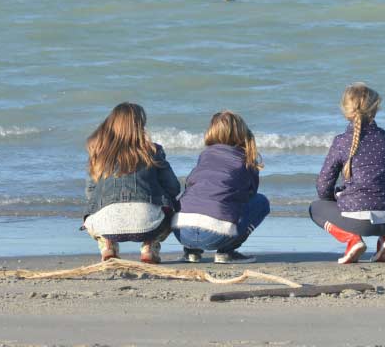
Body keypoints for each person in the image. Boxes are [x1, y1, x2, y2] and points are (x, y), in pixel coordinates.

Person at [310, 83, 385, 264]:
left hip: (358, 222)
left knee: (316, 208)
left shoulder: (341, 141)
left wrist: (335, 198)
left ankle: (352, 240)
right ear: (375, 109)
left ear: (346, 111)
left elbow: (323, 185)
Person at [83, 103, 180, 264]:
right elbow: (173, 187)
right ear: (139, 125)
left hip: (106, 226)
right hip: (149, 225)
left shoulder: (99, 152)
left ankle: (107, 244)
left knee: (94, 209)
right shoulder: (152, 151)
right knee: (172, 206)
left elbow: (90, 192)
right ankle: (150, 245)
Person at [173, 111, 269, 264]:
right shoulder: (245, 160)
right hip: (215, 236)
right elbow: (249, 194)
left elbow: (189, 184)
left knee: (189, 197)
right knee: (261, 202)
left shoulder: (204, 155)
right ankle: (226, 251)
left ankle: (191, 251)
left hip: (183, 233)